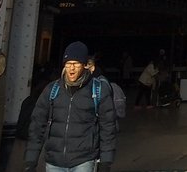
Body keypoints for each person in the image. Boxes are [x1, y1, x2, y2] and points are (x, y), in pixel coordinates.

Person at [25, 40, 118, 172]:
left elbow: (108, 127)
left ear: (85, 65)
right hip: (54, 161)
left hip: (84, 160)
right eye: (68, 64)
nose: (71, 68)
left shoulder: (98, 90)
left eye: (75, 64)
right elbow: (37, 125)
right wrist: (31, 160)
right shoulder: (52, 90)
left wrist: (106, 161)